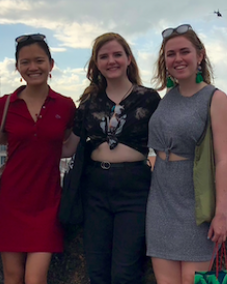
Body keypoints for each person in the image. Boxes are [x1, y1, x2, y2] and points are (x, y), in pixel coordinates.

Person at [62, 32, 161, 284]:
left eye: (117, 54)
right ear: (96, 64)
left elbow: (163, 148)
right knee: (97, 271)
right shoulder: (89, 101)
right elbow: (69, 147)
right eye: (103, 56)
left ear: (129, 59)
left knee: (125, 272)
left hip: (134, 187)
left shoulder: (149, 99)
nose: (111, 61)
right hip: (94, 186)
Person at [146, 24, 227, 284]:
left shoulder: (215, 98)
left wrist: (221, 214)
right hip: (160, 203)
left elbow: (223, 160)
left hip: (197, 207)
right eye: (170, 54)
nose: (177, 59)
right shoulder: (167, 98)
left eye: (184, 51)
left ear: (200, 55)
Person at [0, 34, 76, 284]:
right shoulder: (7, 104)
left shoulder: (65, 105)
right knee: (13, 276)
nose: (33, 67)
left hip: (47, 202)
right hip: (10, 200)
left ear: (51, 64)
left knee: (36, 278)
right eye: (25, 62)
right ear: (17, 67)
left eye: (39, 60)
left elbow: (68, 145)